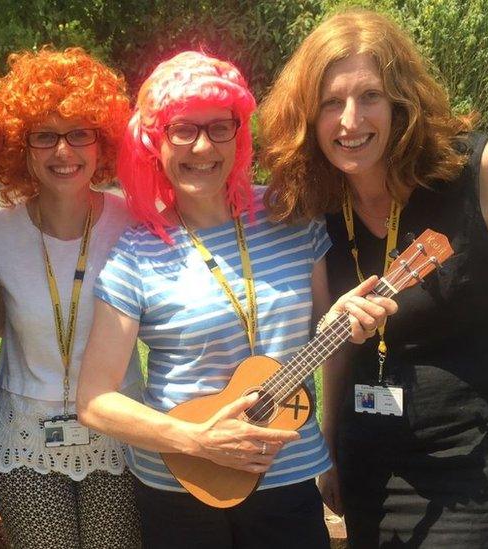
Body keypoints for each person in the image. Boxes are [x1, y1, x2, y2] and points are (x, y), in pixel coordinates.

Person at [258, 8, 488, 547]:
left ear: (403, 101)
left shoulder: (479, 171)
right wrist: (330, 450)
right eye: (331, 102)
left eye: (370, 97)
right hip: (374, 458)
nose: (350, 120)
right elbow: (335, 345)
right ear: (308, 115)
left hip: (483, 454)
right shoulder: (319, 200)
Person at [75, 51, 396, 549]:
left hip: (287, 475)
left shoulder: (292, 217)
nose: (202, 147)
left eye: (219, 127)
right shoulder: (137, 254)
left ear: (239, 133)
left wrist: (329, 441)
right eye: (182, 130)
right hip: (183, 486)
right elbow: (95, 401)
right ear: (154, 143)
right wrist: (196, 440)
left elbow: (325, 341)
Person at [0, 47, 142, 548]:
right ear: (20, 146)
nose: (63, 152)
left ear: (103, 141)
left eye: (79, 133)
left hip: (121, 431)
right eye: (44, 136)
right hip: (26, 441)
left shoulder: (134, 222)